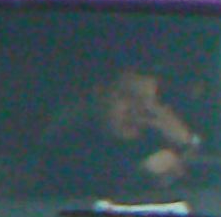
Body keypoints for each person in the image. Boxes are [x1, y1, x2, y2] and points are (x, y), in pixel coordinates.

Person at [34, 66, 203, 195]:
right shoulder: (67, 141)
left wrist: (186, 141)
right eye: (128, 97)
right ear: (100, 94)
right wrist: (142, 174)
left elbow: (211, 190)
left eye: (147, 101)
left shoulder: (154, 139)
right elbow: (87, 186)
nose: (138, 110)